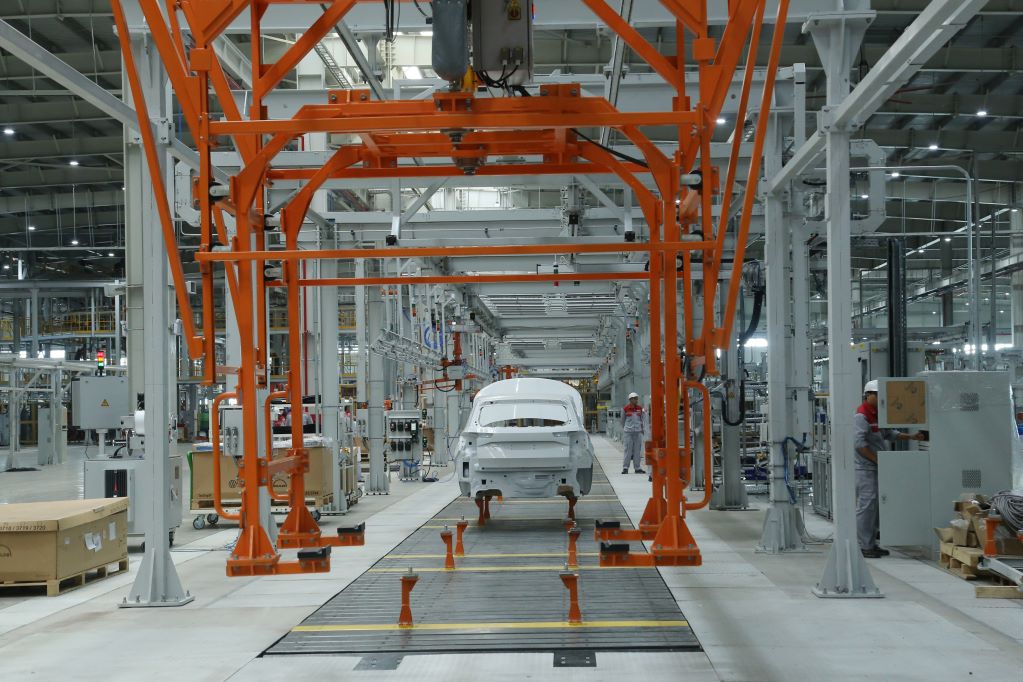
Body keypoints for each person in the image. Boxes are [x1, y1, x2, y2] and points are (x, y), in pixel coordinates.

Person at [855, 379, 926, 558]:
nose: (881, 399)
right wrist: (878, 460)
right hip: (865, 469)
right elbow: (859, 445)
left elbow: (889, 433)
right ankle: (864, 546)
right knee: (867, 506)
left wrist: (912, 436)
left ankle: (872, 543)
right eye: (878, 395)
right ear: (868, 395)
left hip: (876, 467)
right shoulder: (861, 416)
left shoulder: (877, 415)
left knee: (876, 506)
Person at [621, 392, 646, 474]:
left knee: (637, 451)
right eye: (634, 398)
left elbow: (642, 419)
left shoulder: (640, 408)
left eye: (636, 398)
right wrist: (625, 429)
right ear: (630, 400)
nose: (636, 400)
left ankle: (637, 468)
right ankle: (625, 467)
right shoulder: (625, 409)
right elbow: (622, 421)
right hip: (628, 433)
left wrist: (642, 429)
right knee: (628, 450)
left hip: (638, 432)